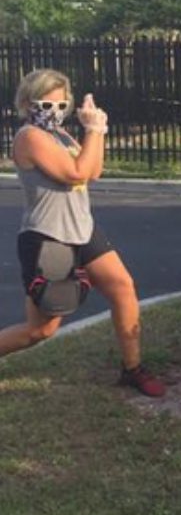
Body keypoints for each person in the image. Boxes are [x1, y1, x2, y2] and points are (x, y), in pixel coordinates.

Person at [0, 69, 165, 396]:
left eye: (62, 102)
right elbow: (76, 172)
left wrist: (97, 131)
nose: (56, 109)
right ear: (28, 102)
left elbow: (94, 171)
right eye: (47, 102)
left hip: (82, 230)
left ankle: (132, 369)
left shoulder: (61, 135)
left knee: (122, 287)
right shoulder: (30, 137)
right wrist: (92, 130)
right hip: (49, 236)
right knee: (40, 331)